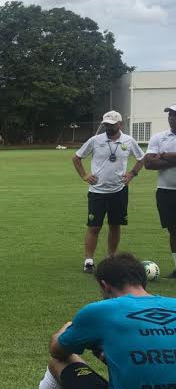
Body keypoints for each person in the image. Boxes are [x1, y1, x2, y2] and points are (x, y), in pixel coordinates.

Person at [36, 253, 176, 389]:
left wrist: (68, 327)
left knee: (60, 362)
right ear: (144, 282)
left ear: (105, 286)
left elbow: (57, 349)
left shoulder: (102, 311)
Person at [72, 110, 144, 273]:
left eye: (112, 125)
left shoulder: (129, 141)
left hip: (119, 190)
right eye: (106, 124)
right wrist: (84, 175)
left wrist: (132, 173)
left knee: (115, 225)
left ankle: (111, 258)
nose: (108, 127)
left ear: (120, 124)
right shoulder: (95, 140)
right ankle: (89, 260)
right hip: (97, 191)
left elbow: (142, 158)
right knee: (94, 226)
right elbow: (76, 158)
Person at [144, 104, 176, 278]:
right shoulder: (159, 137)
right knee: (173, 230)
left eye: (175, 115)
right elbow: (148, 163)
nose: (172, 118)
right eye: (170, 115)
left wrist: (163, 155)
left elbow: (156, 160)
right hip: (165, 191)